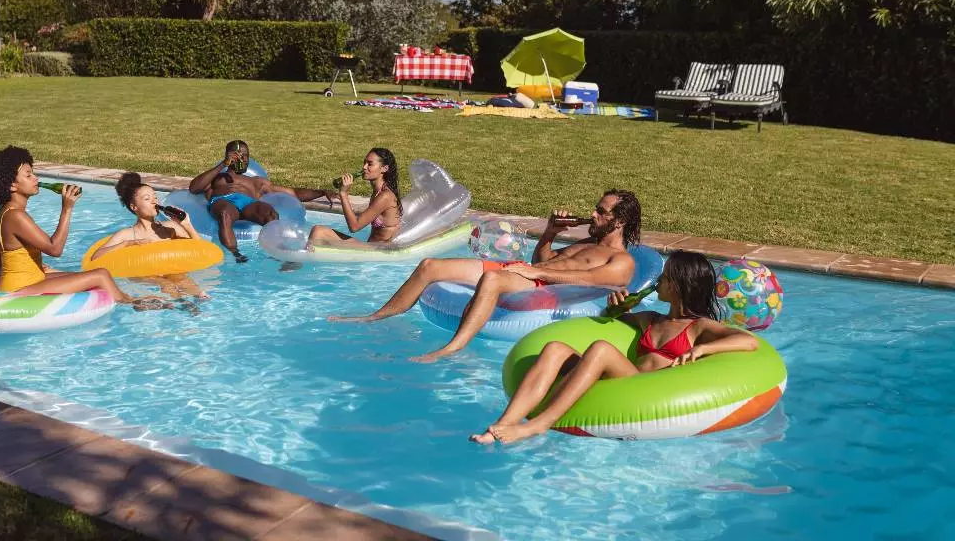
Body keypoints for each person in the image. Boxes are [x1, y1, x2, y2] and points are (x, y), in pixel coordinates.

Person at [470, 250, 759, 444]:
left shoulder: (698, 327)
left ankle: (539, 424)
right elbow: (605, 320)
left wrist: (701, 350)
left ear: (681, 286)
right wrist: (617, 310)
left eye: (666, 278)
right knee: (555, 348)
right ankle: (501, 425)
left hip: (647, 389)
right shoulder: (650, 319)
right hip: (624, 377)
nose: (659, 281)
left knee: (601, 349)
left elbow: (748, 341)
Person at [329, 189, 641, 364]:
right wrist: (549, 233)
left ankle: (451, 349)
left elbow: (587, 281)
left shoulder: (621, 260)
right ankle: (376, 316)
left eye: (602, 211)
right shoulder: (588, 242)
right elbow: (542, 258)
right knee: (429, 266)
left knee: (491, 280)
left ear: (620, 220)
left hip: (540, 285)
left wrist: (538, 272)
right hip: (529, 273)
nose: (594, 214)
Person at [0, 146, 152, 308]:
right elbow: (55, 249)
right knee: (100, 275)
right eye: (28, 175)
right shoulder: (16, 215)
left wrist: (32, 266)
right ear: (12, 185)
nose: (36, 178)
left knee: (87, 275)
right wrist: (67, 208)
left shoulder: (5, 211)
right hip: (19, 289)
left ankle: (130, 299)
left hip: (28, 280)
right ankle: (133, 304)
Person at [188, 140, 335, 262]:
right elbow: (194, 188)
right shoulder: (216, 178)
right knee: (225, 214)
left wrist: (322, 192)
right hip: (224, 201)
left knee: (270, 213)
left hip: (248, 203)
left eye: (246, 156)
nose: (242, 159)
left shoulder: (257, 182)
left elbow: (294, 193)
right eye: (238, 155)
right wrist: (223, 164)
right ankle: (236, 255)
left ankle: (280, 253)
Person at [90, 172, 211, 312]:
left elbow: (201, 250)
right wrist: (128, 244)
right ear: (134, 207)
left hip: (171, 269)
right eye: (147, 199)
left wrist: (188, 225)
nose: (155, 202)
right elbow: (96, 257)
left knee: (178, 276)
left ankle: (198, 296)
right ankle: (181, 303)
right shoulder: (127, 235)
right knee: (164, 281)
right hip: (144, 276)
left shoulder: (170, 227)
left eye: (155, 197)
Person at [306, 148, 402, 249]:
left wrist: (343, 193)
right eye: (364, 163)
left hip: (379, 252)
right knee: (318, 230)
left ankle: (298, 263)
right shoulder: (377, 192)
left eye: (370, 164)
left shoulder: (385, 196)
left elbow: (354, 227)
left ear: (384, 168)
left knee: (318, 233)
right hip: (370, 246)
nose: (364, 167)